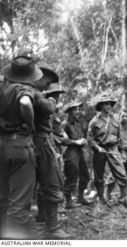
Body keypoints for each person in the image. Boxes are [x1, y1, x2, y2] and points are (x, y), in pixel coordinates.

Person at [0, 56, 40, 239]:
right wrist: (29, 124)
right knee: (19, 202)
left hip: (1, 143)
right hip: (18, 144)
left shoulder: (2, 89)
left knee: (3, 197)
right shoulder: (24, 89)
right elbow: (25, 102)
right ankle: (13, 239)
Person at [33, 65, 70, 239]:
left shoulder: (23, 92)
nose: (47, 84)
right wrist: (53, 99)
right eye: (47, 81)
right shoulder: (37, 95)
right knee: (52, 181)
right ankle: (52, 228)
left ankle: (41, 216)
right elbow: (48, 111)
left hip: (32, 141)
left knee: (37, 182)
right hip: (41, 141)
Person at [87, 96, 127, 208]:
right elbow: (90, 138)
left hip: (113, 149)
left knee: (121, 172)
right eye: (105, 104)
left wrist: (122, 152)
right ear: (100, 106)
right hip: (100, 150)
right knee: (99, 176)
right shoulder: (94, 121)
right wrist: (97, 147)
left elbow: (120, 139)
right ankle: (101, 199)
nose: (108, 106)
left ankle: (124, 198)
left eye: (110, 104)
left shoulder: (115, 120)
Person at [62, 101, 91, 208]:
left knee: (85, 174)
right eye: (75, 110)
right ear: (69, 112)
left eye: (78, 109)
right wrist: (76, 142)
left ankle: (80, 197)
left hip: (79, 152)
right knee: (72, 174)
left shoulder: (77, 124)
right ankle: (68, 201)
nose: (77, 112)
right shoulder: (64, 125)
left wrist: (82, 140)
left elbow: (79, 137)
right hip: (70, 152)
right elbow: (62, 140)